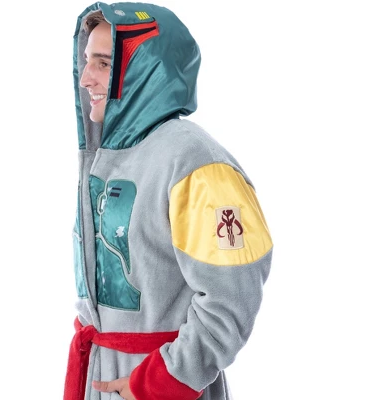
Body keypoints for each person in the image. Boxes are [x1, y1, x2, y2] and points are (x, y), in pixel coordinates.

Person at [64, 2, 273, 400]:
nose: (85, 78)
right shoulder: (105, 158)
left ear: (144, 72)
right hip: (101, 376)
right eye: (87, 61)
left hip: (157, 385)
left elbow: (231, 298)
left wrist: (161, 381)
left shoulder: (194, 163)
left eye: (103, 64)